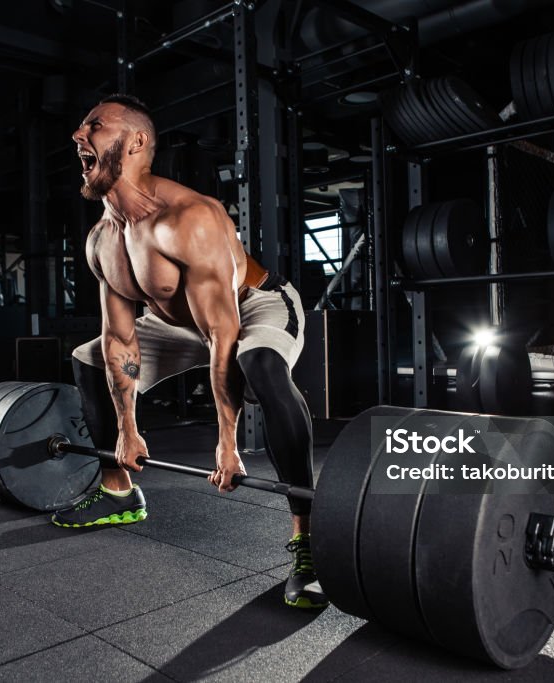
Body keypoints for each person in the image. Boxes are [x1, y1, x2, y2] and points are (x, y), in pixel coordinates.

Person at [53, 94, 325, 609]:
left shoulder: (190, 218)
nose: (78, 135)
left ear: (135, 143)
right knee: (88, 357)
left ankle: (306, 541)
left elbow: (223, 333)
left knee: (259, 363)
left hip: (252, 304)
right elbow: (120, 338)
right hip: (175, 323)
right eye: (81, 127)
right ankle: (118, 492)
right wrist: (128, 428)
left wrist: (229, 443)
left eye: (95, 125)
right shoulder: (101, 240)